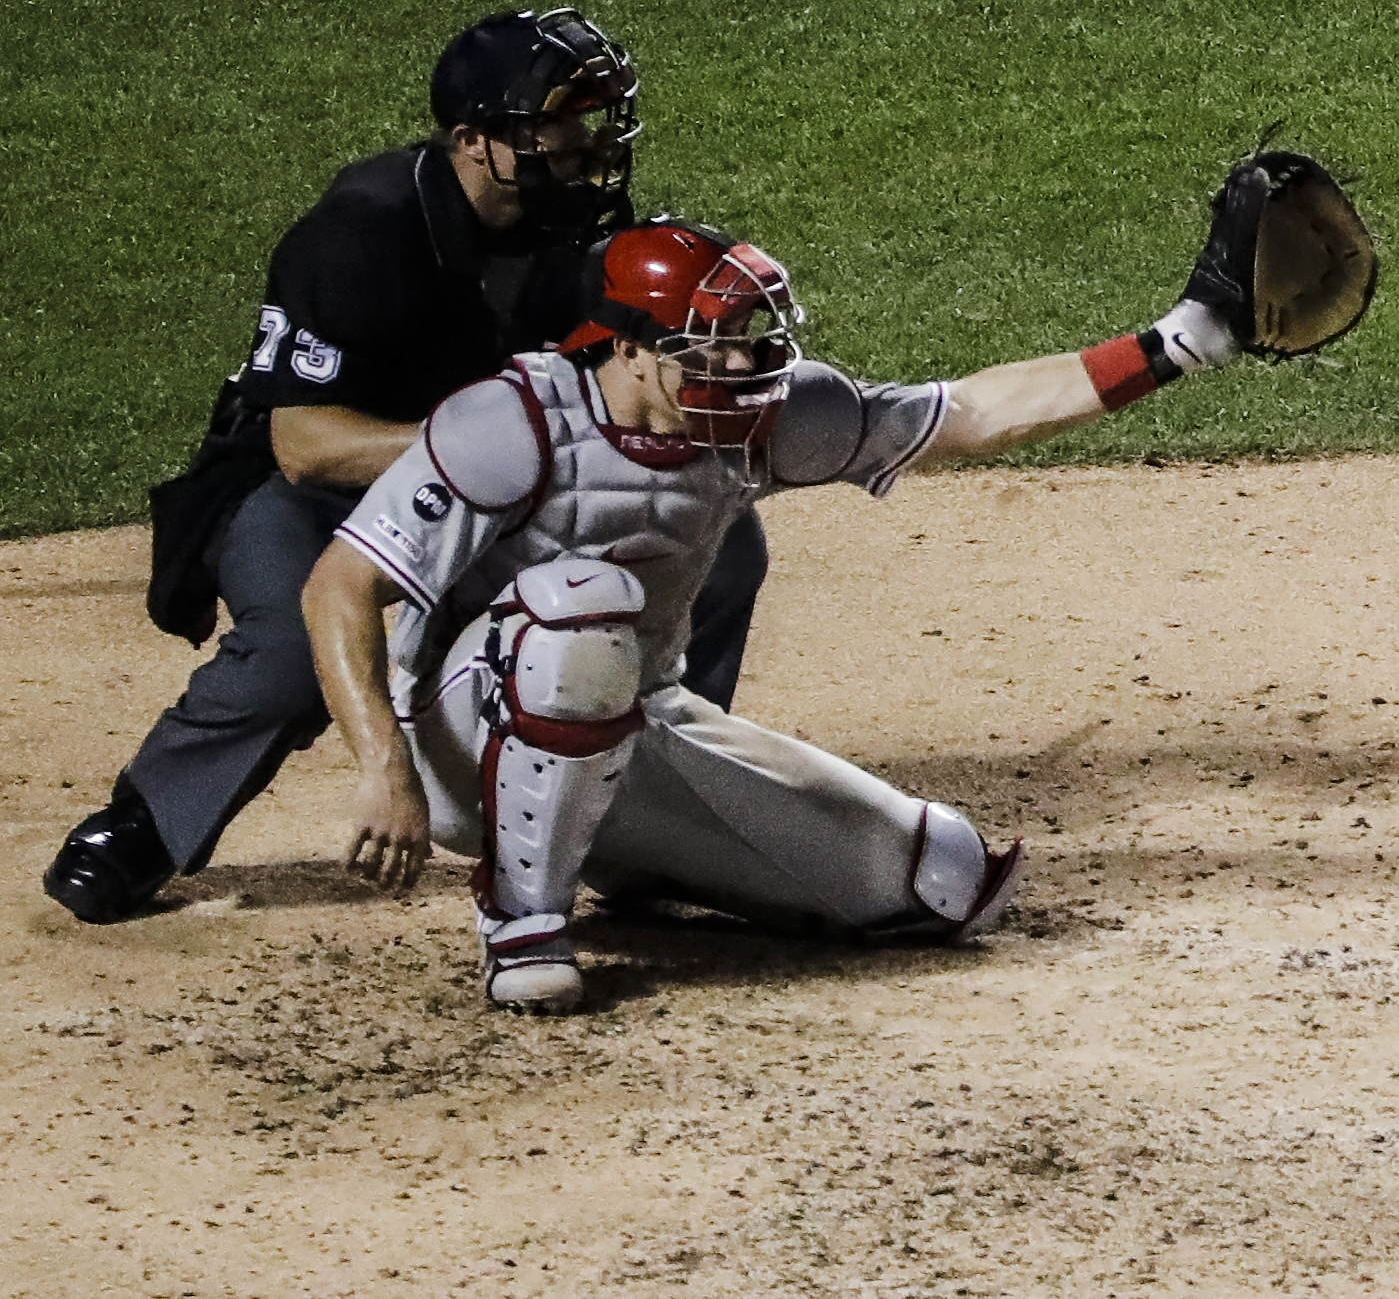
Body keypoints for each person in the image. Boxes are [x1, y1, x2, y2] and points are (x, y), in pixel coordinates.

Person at [305, 207, 1295, 1012]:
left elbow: (972, 414)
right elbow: (338, 586)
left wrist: (1178, 343)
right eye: (713, 349)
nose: (743, 367)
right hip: (459, 740)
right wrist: (384, 774)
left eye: (748, 342)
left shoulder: (755, 421)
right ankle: (523, 919)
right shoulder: (509, 426)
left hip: (630, 718)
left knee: (937, 881)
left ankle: (629, 855)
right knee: (582, 608)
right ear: (634, 350)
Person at [41, 9, 771, 925]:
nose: (589, 148)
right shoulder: (364, 231)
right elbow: (304, 445)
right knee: (292, 654)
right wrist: (503, 447)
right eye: (563, 125)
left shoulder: (579, 235)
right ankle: (142, 826)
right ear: (477, 142)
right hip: (306, 493)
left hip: (498, 489)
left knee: (719, 540)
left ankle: (649, 817)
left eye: (595, 121)